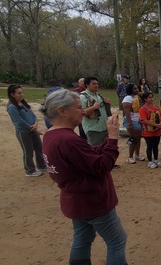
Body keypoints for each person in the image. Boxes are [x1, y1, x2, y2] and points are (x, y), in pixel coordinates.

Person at [41, 89, 127, 265]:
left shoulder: (51, 135)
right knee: (117, 241)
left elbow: (85, 155)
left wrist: (104, 142)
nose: (83, 111)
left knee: (82, 238)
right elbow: (102, 166)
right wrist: (112, 139)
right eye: (78, 107)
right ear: (61, 111)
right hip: (92, 201)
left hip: (75, 199)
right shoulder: (67, 139)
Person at [6, 84, 46, 177]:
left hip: (33, 130)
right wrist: (33, 128)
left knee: (39, 148)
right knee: (28, 152)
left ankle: (41, 165)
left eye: (22, 92)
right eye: (19, 93)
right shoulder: (12, 107)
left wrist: (35, 123)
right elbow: (19, 121)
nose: (21, 95)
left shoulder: (23, 103)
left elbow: (33, 115)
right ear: (12, 94)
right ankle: (30, 170)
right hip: (23, 132)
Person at [81, 77, 112, 146]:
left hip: (104, 127)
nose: (96, 85)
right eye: (94, 84)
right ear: (87, 85)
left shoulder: (99, 96)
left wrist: (108, 104)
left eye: (97, 84)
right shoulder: (82, 97)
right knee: (95, 151)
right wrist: (93, 107)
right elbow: (81, 113)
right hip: (93, 129)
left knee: (104, 150)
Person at [139, 92, 161, 169]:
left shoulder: (156, 107)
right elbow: (143, 120)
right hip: (148, 132)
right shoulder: (143, 109)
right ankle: (150, 161)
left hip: (157, 130)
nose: (152, 99)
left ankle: (156, 160)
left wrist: (160, 123)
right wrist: (155, 125)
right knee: (150, 146)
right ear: (145, 99)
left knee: (156, 146)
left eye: (152, 97)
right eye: (149, 97)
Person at [122, 84, 145, 164]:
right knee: (133, 138)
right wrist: (129, 123)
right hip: (132, 120)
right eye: (135, 88)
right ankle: (130, 156)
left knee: (138, 138)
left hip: (139, 120)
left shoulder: (137, 97)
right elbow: (127, 112)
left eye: (137, 88)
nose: (137, 90)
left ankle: (137, 155)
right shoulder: (128, 98)